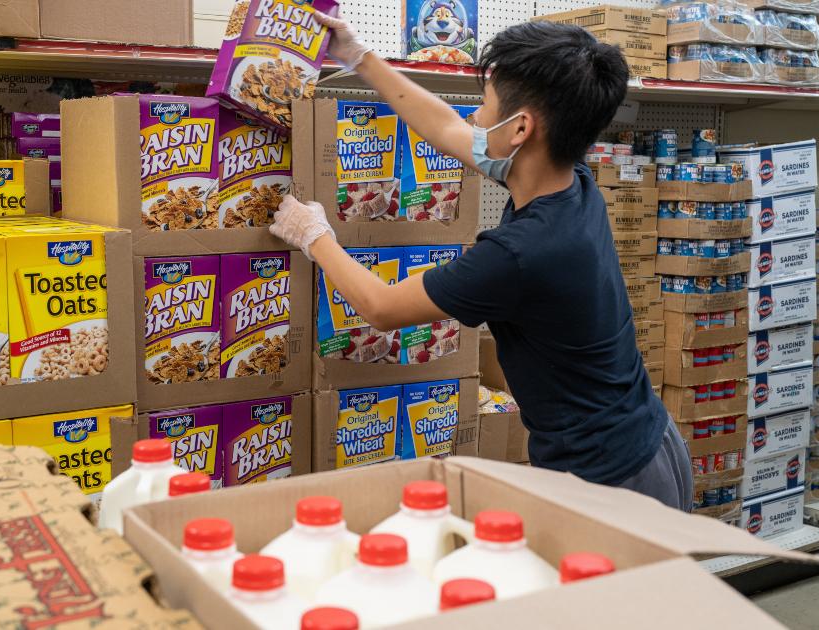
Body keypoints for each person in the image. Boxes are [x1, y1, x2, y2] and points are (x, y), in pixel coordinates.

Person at [270, 15, 693, 511]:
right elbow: (448, 128)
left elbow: (381, 308)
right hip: (650, 439)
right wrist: (358, 56)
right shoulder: (570, 182)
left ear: (519, 129)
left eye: (485, 106)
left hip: (613, 478)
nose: (473, 118)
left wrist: (315, 236)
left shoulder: (519, 253)